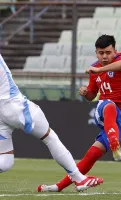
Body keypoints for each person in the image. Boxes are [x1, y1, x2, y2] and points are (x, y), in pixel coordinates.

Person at [38, 34, 121, 192]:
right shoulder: (95, 70)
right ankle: (114, 140)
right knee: (108, 104)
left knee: (92, 155)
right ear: (96, 53)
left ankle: (58, 187)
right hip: (103, 111)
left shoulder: (120, 62)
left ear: (115, 51)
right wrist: (86, 92)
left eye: (108, 52)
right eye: (101, 53)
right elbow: (92, 95)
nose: (104, 56)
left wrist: (99, 69)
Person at [0, 54, 103, 192]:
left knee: (5, 161)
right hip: (15, 105)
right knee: (50, 137)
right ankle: (79, 178)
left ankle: (79, 178)